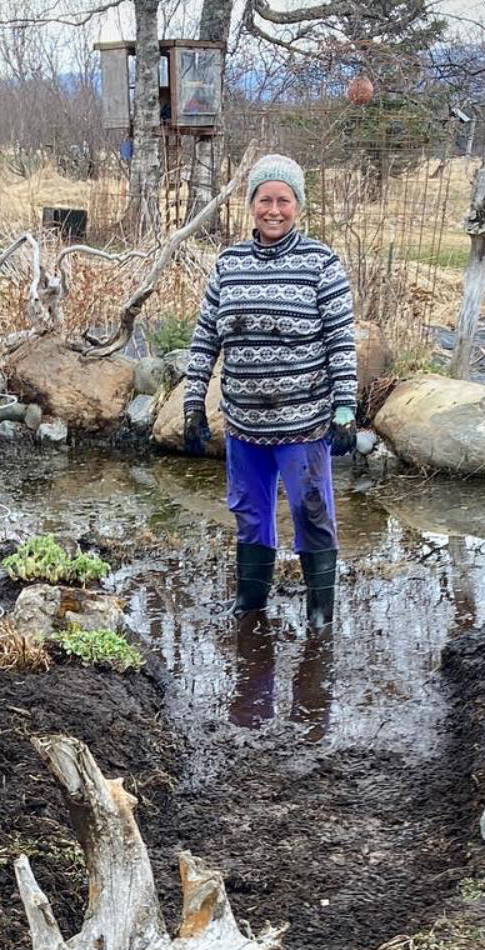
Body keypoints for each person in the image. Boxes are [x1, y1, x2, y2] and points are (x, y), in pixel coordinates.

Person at [180, 153, 358, 624]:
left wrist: (345, 409)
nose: (273, 210)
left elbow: (341, 341)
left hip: (303, 421)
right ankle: (251, 602)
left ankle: (320, 612)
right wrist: (193, 402)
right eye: (264, 200)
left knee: (311, 510)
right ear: (251, 204)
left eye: (283, 200)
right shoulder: (229, 263)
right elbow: (204, 338)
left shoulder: (321, 264)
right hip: (243, 421)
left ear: (298, 206)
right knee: (249, 512)